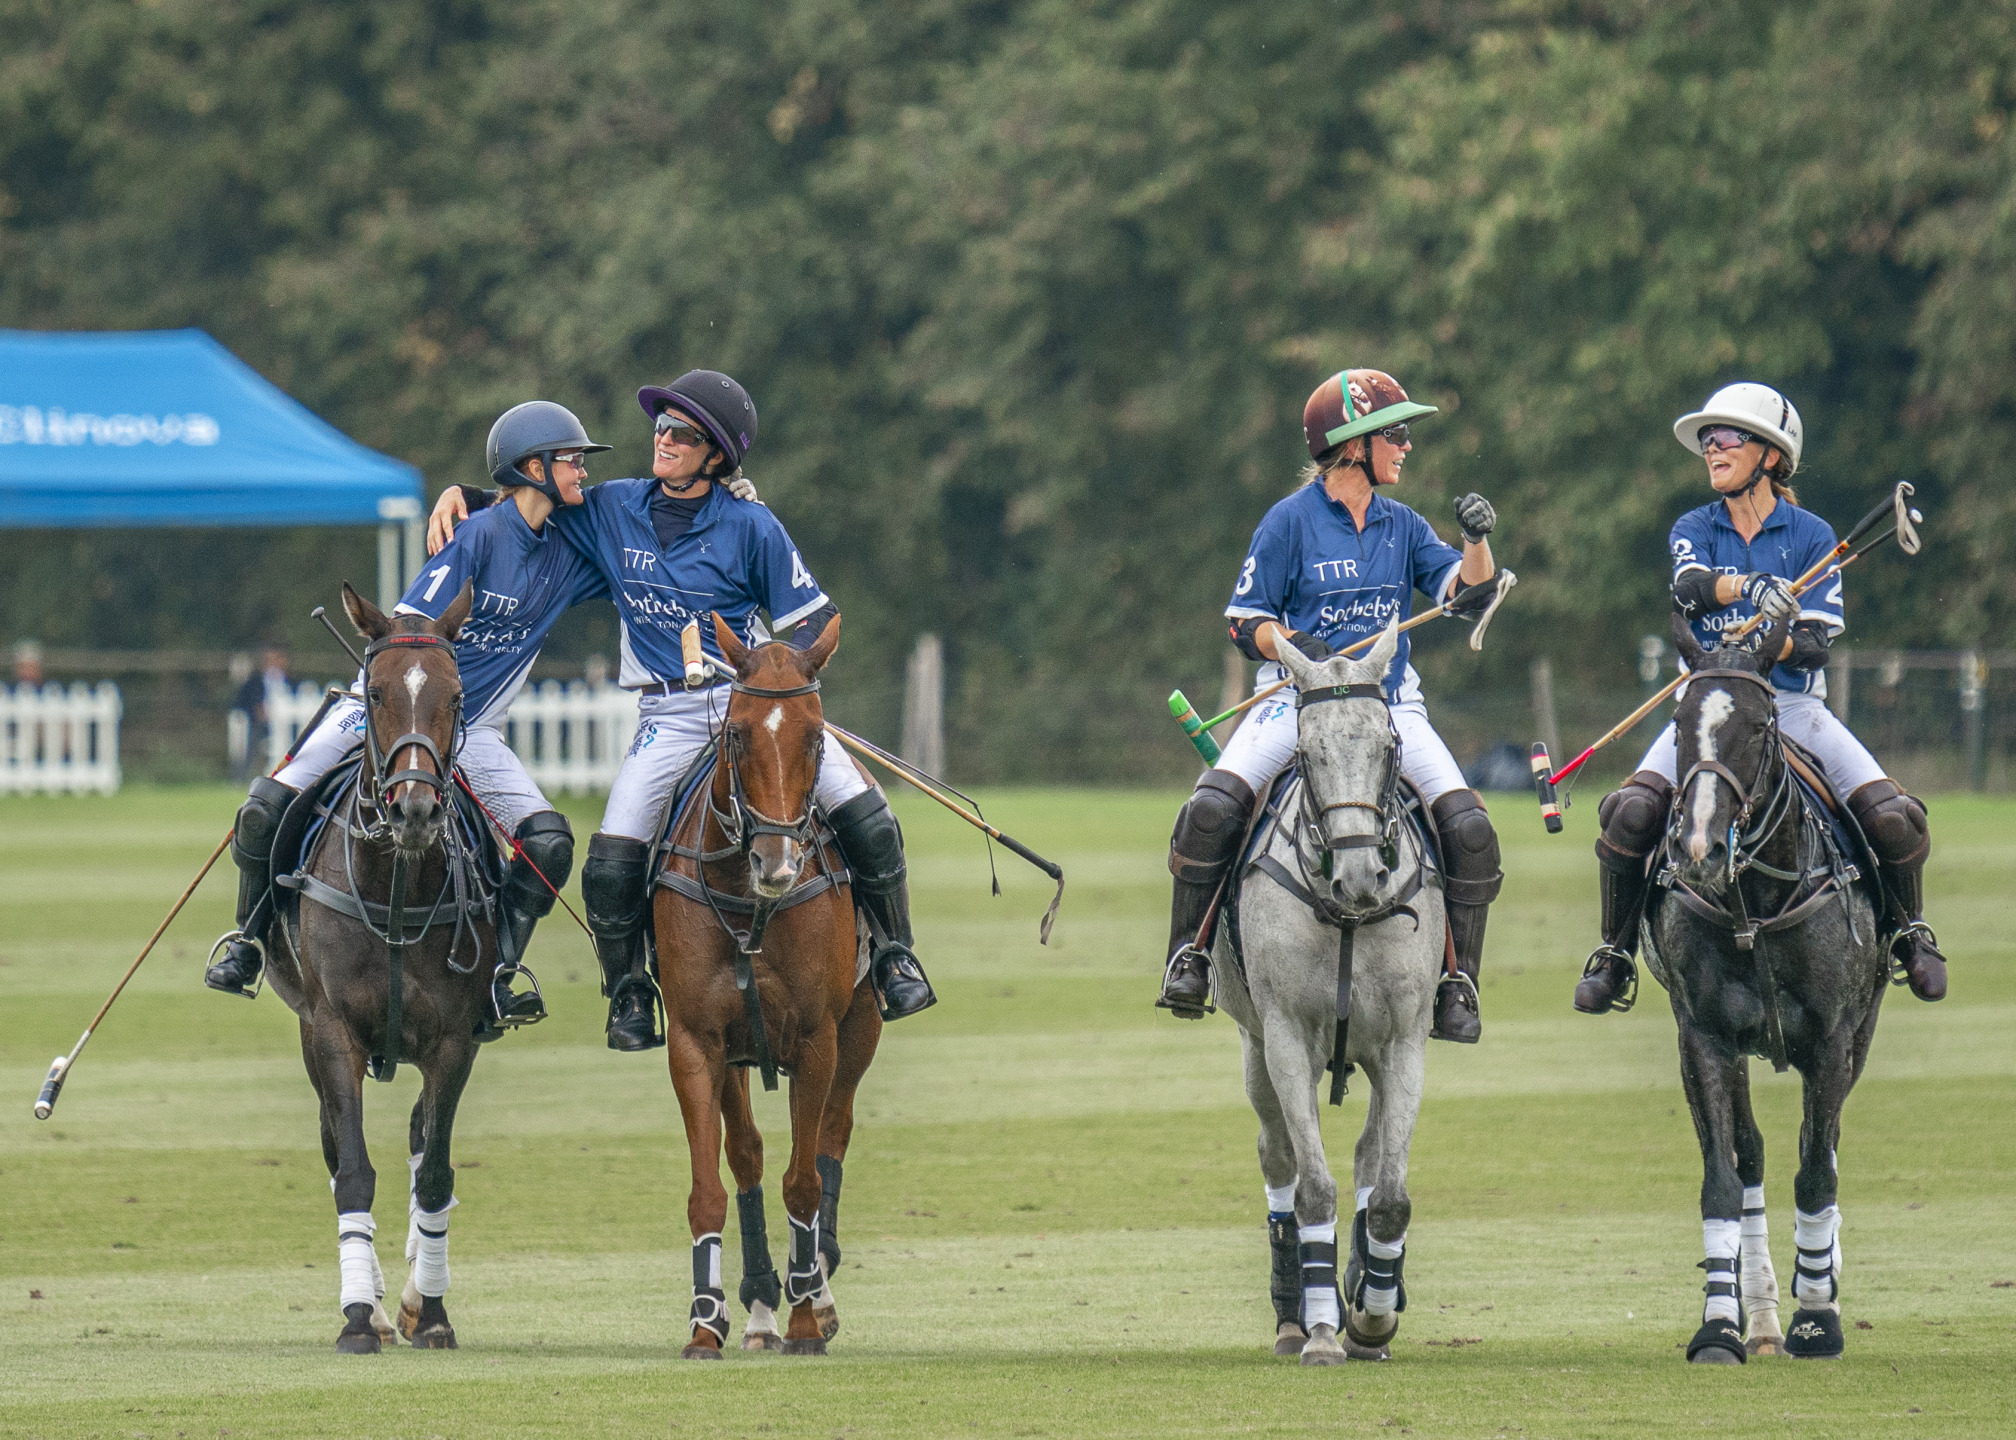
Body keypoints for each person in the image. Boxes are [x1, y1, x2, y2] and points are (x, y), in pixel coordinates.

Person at [425, 370, 936, 1052]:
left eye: (682, 434)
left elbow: (817, 621)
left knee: (867, 814)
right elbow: (534, 495)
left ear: (716, 456)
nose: (662, 440)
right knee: (611, 856)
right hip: (665, 715)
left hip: (750, 705)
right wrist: (467, 494)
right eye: (660, 427)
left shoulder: (753, 526)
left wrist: (778, 676)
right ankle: (629, 990)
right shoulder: (612, 508)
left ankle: (896, 954)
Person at [204, 402, 615, 1037]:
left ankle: (499, 974)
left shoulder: (572, 546)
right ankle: (249, 938)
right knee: (263, 808)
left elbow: (645, 531)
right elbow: (405, 635)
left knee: (549, 844)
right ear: (534, 467)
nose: (583, 470)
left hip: (474, 731)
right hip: (390, 714)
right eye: (573, 459)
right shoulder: (474, 538)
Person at [1157, 368, 1507, 1043]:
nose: (1406, 446)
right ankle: (1189, 957)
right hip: (1296, 701)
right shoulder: (1288, 522)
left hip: (1389, 706)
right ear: (1354, 445)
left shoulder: (1402, 525)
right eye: (1396, 433)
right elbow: (1243, 622)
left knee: (1470, 828)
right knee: (1210, 808)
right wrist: (1293, 642)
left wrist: (1476, 542)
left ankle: (1457, 982)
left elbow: (1467, 599)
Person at [1573, 383, 1947, 1015]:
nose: (1711, 449)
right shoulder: (1695, 526)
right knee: (1628, 813)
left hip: (1792, 708)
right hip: (1710, 710)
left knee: (1892, 816)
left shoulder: (1812, 535)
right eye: (1708, 441)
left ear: (1771, 455)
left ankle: (1910, 930)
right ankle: (1615, 953)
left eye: (1727, 438)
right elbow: (1689, 589)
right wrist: (1750, 586)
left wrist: (1773, 635)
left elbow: (1814, 647)